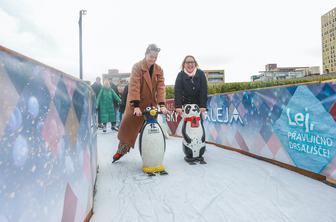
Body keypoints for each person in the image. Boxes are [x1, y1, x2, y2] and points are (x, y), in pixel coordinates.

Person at [112, 44, 168, 163]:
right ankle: (121, 151)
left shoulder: (159, 70)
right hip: (136, 104)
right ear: (146, 54)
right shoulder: (137, 67)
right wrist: (136, 106)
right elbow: (134, 86)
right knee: (128, 131)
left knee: (151, 131)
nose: (153, 59)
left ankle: (151, 154)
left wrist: (162, 104)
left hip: (151, 106)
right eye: (151, 56)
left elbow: (161, 87)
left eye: (155, 57)